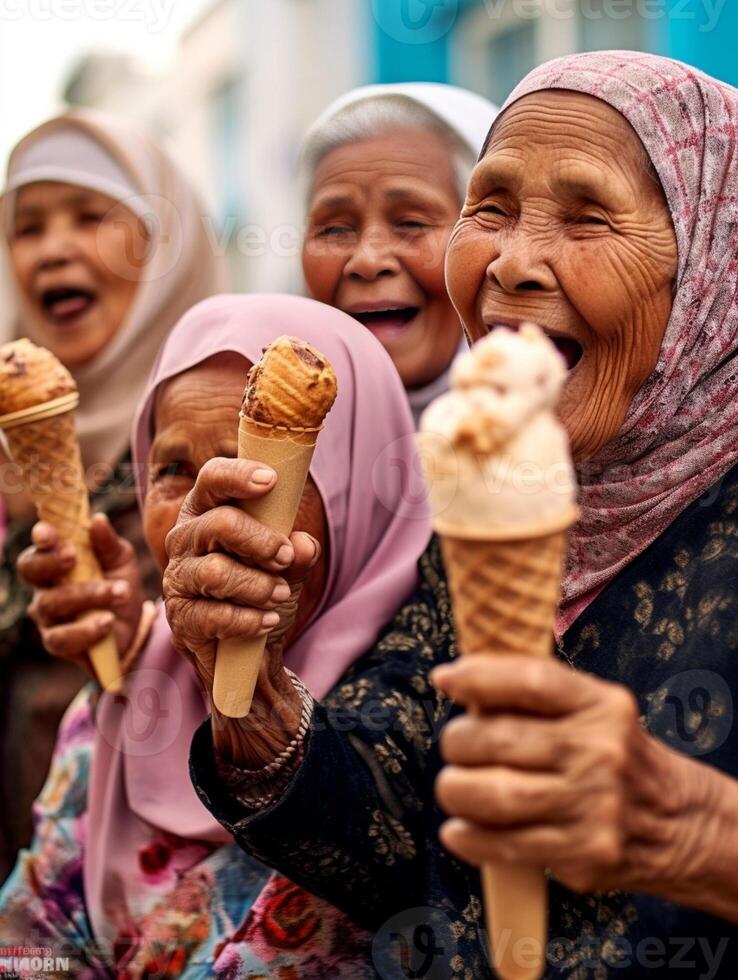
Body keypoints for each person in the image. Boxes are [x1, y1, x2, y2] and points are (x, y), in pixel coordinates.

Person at [173, 53, 738, 977]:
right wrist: (252, 691)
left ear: (717, 261)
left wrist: (698, 832)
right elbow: (393, 836)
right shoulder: (481, 513)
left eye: (589, 216)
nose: (511, 264)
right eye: (491, 208)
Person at [0, 293, 430, 978]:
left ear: (355, 495)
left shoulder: (409, 733)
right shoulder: (122, 696)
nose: (203, 506)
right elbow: (30, 938)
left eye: (249, 465)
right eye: (171, 469)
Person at [0, 108, 223, 880]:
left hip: (165, 874)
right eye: (27, 227)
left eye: (92, 216)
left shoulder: (227, 433)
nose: (55, 247)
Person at [300, 83, 497, 423]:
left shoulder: (570, 447)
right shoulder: (248, 438)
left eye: (412, 223)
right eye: (334, 230)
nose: (368, 261)